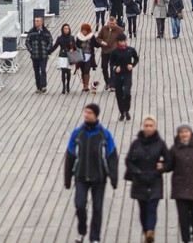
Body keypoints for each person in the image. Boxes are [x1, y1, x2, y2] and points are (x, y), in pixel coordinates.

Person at [64, 104, 118, 243]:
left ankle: (95, 238)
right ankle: (82, 231)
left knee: (97, 208)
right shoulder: (77, 133)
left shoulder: (104, 134)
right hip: (81, 176)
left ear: (96, 115)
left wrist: (113, 176)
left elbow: (111, 155)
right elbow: (70, 155)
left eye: (89, 112)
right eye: (85, 112)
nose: (86, 115)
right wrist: (67, 178)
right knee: (80, 205)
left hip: (99, 176)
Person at [125, 115, 171, 243]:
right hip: (140, 181)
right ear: (143, 127)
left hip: (154, 181)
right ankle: (146, 232)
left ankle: (150, 231)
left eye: (151, 126)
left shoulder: (160, 143)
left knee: (152, 208)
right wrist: (136, 171)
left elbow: (169, 161)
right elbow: (128, 160)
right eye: (146, 126)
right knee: (143, 210)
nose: (149, 128)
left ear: (155, 127)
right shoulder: (136, 143)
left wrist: (161, 168)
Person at [109, 33, 139, 120]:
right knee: (119, 93)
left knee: (126, 92)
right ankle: (122, 112)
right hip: (118, 75)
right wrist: (115, 68)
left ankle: (127, 110)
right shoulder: (115, 52)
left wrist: (132, 65)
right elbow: (111, 63)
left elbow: (136, 58)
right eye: (121, 41)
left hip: (127, 73)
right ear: (119, 42)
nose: (123, 43)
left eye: (124, 41)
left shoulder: (130, 50)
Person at [25, 16, 53, 93]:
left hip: (43, 55)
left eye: (37, 21)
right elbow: (27, 42)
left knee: (43, 70)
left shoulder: (46, 32)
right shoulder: (32, 32)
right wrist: (31, 50)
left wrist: (47, 49)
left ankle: (43, 85)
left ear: (41, 22)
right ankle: (38, 87)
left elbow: (50, 41)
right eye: (35, 21)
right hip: (35, 55)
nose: (36, 22)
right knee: (36, 71)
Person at [97, 17, 124, 91]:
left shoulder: (119, 30)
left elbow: (122, 39)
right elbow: (98, 37)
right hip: (105, 51)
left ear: (116, 23)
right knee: (104, 67)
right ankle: (107, 82)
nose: (111, 25)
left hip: (114, 52)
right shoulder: (104, 28)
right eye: (110, 24)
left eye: (113, 24)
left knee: (113, 68)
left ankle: (113, 84)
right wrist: (102, 42)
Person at [74, 23, 99, 93]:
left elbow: (96, 44)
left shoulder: (91, 37)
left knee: (86, 70)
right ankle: (84, 85)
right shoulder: (78, 37)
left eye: (85, 30)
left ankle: (86, 86)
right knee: (82, 70)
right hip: (80, 56)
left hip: (89, 56)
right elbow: (76, 46)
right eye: (82, 30)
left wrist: (101, 43)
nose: (84, 32)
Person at [55, 24, 76, 94]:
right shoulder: (60, 38)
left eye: (67, 29)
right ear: (62, 30)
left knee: (68, 71)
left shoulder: (72, 38)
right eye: (65, 29)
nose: (66, 30)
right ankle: (64, 86)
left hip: (69, 56)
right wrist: (48, 51)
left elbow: (75, 47)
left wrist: (73, 47)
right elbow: (55, 46)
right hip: (63, 56)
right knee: (63, 71)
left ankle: (68, 85)